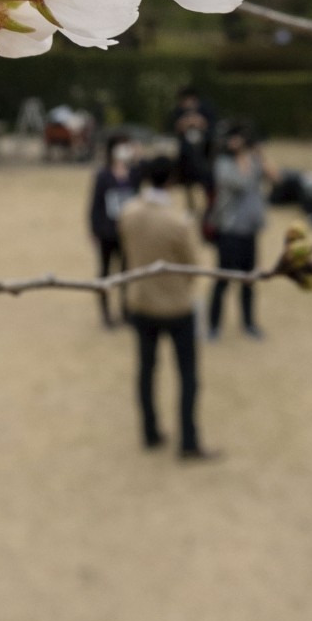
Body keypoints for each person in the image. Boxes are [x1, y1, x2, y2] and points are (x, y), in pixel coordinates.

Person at [118, 156, 220, 461]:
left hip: (141, 302)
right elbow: (193, 265)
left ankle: (149, 431)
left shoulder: (129, 213)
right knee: (188, 375)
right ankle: (188, 440)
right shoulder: (178, 222)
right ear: (173, 181)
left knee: (146, 371)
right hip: (176, 307)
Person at [207, 123, 275, 340]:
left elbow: (276, 176)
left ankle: (249, 323)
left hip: (250, 230)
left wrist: (259, 155)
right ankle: (213, 325)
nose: (234, 142)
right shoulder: (223, 164)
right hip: (229, 229)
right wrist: (248, 160)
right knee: (223, 278)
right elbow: (242, 183)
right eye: (231, 138)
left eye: (239, 137)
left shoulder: (255, 160)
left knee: (249, 279)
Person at [88, 138, 140, 327]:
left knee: (126, 273)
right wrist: (93, 230)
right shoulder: (103, 175)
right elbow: (94, 205)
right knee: (105, 272)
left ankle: (126, 311)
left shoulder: (134, 174)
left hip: (127, 233)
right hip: (106, 233)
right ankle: (106, 314)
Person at [168, 86, 216, 212]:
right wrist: (184, 124)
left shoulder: (206, 109)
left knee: (207, 180)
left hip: (204, 152)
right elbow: (174, 128)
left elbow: (212, 128)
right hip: (186, 154)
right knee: (186, 180)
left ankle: (209, 205)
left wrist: (200, 123)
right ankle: (191, 205)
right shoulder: (178, 111)